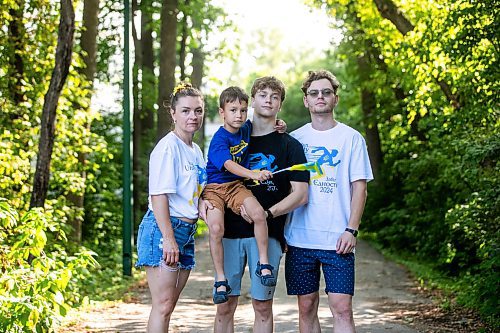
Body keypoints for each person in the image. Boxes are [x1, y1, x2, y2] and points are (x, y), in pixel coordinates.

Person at [212, 76, 310, 333]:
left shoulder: (290, 144)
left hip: (268, 234)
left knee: (263, 306)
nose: (268, 100)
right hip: (230, 233)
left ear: (280, 104)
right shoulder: (235, 133)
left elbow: (300, 195)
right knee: (225, 306)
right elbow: (213, 174)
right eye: (263, 95)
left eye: (274, 96)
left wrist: (267, 213)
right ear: (252, 100)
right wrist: (206, 203)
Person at [285, 70, 374, 333]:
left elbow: (360, 188)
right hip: (300, 239)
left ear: (335, 99)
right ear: (306, 101)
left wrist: (351, 229)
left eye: (326, 92)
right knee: (306, 307)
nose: (320, 97)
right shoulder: (294, 140)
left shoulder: (352, 138)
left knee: (342, 308)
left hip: (338, 240)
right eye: (314, 93)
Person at [135, 82, 207, 332]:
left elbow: (196, 194)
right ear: (173, 113)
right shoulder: (168, 147)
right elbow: (159, 197)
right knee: (163, 305)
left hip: (185, 233)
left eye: (198, 111)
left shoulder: (195, 150)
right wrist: (168, 238)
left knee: (168, 305)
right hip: (163, 230)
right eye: (186, 110)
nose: (193, 116)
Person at [202, 86, 282, 305]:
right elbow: (228, 165)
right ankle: (220, 277)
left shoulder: (246, 128)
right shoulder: (219, 139)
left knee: (258, 214)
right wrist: (253, 174)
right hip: (216, 188)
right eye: (233, 110)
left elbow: (266, 123)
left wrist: (279, 123)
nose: (239, 115)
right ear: (222, 112)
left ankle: (263, 263)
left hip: (236, 187)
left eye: (243, 110)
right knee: (217, 228)